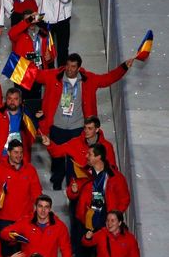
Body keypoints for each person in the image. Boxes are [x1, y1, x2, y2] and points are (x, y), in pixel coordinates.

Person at [35, 53, 133, 190]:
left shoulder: (89, 79)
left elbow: (107, 79)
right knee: (56, 156)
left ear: (79, 68)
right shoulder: (54, 76)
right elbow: (35, 75)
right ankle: (56, 183)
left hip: (78, 128)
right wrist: (17, 60)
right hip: (57, 126)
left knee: (75, 161)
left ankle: (72, 186)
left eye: (73, 67)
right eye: (68, 66)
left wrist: (123, 67)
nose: (69, 69)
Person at [68, 144, 130, 257]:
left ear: (98, 157)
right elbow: (71, 193)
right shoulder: (83, 173)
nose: (86, 156)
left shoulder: (115, 177)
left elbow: (125, 199)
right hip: (86, 222)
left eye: (89, 154)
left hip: (105, 224)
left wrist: (115, 217)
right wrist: (73, 190)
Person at [1, 195, 72, 257]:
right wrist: (13, 236)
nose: (43, 210)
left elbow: (66, 250)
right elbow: (4, 232)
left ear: (50, 209)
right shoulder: (25, 222)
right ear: (35, 207)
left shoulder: (59, 226)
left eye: (46, 207)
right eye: (40, 206)